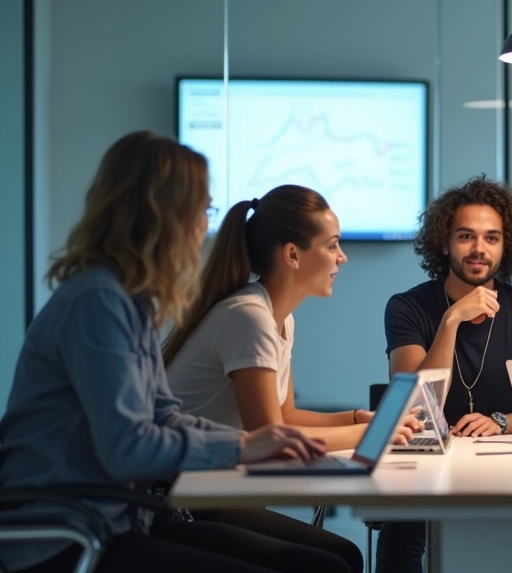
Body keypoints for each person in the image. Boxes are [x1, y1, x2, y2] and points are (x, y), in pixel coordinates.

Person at [0, 131, 343, 573]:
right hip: (66, 537)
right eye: (202, 211)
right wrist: (241, 450)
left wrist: (249, 442)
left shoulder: (127, 301)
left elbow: (163, 416)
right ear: (164, 217)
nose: (205, 226)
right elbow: (128, 447)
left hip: (116, 520)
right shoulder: (98, 304)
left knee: (322, 563)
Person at [376, 175, 512, 573]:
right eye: (466, 236)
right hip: (426, 467)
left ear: (506, 246)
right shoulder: (408, 307)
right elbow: (414, 407)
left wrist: (500, 421)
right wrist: (450, 322)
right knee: (400, 535)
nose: (479, 249)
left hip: (511, 467)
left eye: (492, 238)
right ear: (444, 242)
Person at [164, 185, 419, 450]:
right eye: (332, 246)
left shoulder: (280, 318)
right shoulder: (249, 317)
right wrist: (373, 433)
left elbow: (287, 417)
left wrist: (360, 419)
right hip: (176, 484)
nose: (342, 257)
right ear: (293, 255)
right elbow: (270, 439)